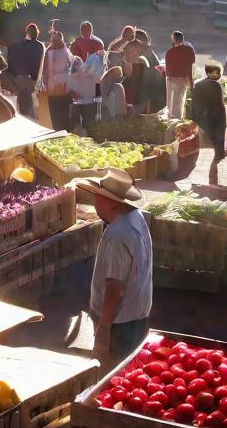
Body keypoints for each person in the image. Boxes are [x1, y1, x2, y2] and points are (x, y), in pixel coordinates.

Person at [74, 168, 152, 362]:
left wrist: (103, 329)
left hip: (119, 324)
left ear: (109, 202)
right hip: (139, 315)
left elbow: (114, 288)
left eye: (98, 197)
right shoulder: (137, 217)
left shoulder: (116, 237)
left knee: (112, 376)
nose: (95, 201)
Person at [7, 24, 44, 119]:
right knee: (30, 106)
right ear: (37, 34)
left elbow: (10, 62)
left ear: (27, 32)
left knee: (24, 104)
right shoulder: (40, 46)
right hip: (31, 80)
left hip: (18, 80)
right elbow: (40, 65)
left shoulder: (16, 45)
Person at [191, 64, 226, 163]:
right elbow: (219, 103)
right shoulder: (215, 85)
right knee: (217, 136)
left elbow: (195, 103)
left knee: (213, 136)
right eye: (216, 73)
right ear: (208, 73)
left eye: (220, 73)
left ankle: (218, 153)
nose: (219, 75)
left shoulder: (198, 84)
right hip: (213, 115)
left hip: (204, 115)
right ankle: (219, 154)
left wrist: (194, 117)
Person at [40, 31, 71, 130]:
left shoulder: (49, 51)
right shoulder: (66, 51)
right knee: (64, 114)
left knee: (55, 115)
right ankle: (64, 132)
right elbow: (71, 67)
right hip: (64, 88)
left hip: (52, 89)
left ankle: (58, 132)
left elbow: (44, 71)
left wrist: (44, 86)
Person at [164, 31, 196, 120]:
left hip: (170, 80)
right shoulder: (189, 50)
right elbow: (191, 67)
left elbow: (168, 70)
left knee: (170, 105)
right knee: (179, 104)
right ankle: (177, 124)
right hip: (182, 80)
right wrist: (191, 82)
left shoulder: (170, 52)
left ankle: (170, 124)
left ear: (173, 39)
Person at [67, 55, 98, 135]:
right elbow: (69, 91)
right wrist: (74, 95)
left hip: (91, 103)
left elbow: (98, 87)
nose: (76, 66)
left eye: (78, 64)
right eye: (75, 64)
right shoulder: (70, 77)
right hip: (79, 104)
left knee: (89, 126)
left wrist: (98, 102)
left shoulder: (90, 74)